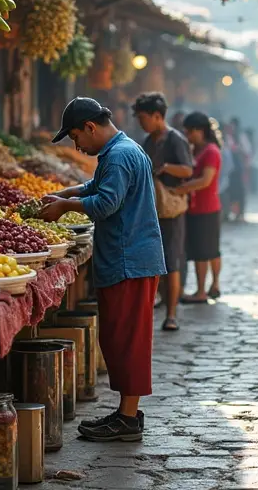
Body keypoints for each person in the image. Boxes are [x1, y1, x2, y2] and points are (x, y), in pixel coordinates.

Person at [39, 97, 165, 442]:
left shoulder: (121, 155)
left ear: (90, 127)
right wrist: (67, 193)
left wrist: (66, 206)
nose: (77, 146)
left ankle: (127, 419)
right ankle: (125, 414)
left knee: (128, 341)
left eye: (76, 138)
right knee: (117, 338)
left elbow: (107, 202)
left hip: (131, 261)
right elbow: (98, 188)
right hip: (126, 259)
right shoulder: (120, 151)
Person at [133, 92, 194, 332]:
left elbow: (188, 170)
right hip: (153, 209)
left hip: (171, 208)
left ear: (157, 116)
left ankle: (171, 314)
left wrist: (167, 168)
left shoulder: (175, 139)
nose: (141, 123)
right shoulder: (148, 141)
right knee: (157, 260)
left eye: (143, 117)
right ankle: (160, 304)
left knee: (172, 261)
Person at [176, 112, 224, 303]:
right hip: (196, 207)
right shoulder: (196, 150)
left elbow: (206, 180)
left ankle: (203, 290)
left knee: (205, 252)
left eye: (189, 131)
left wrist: (181, 188)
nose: (187, 136)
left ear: (199, 130)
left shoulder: (211, 151)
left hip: (207, 207)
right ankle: (211, 286)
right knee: (206, 250)